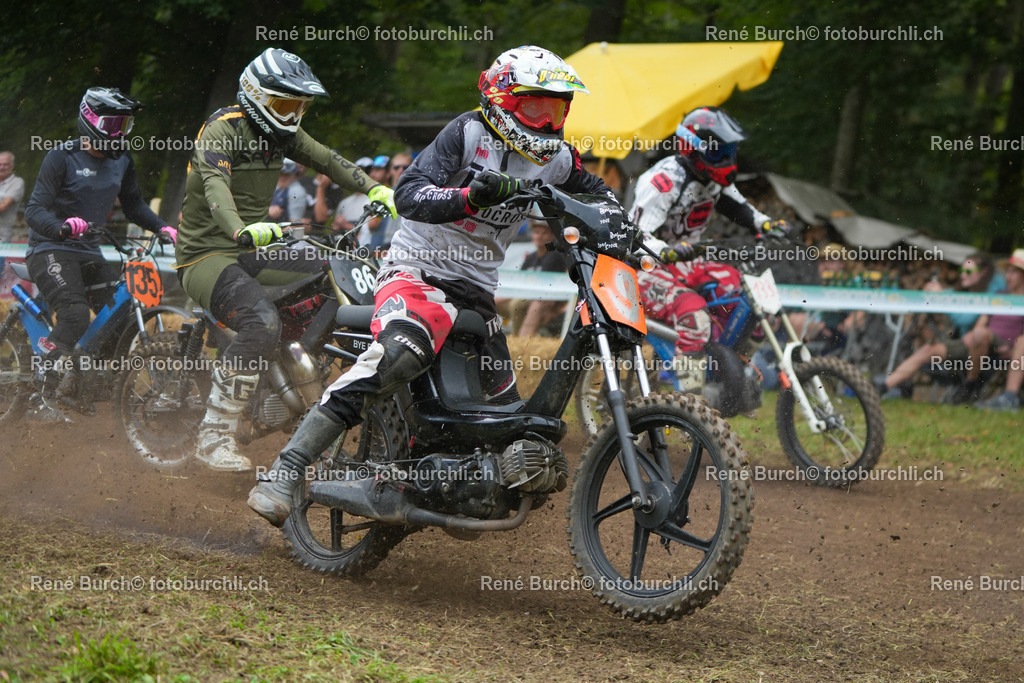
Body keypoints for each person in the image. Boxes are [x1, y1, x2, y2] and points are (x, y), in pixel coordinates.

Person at [249, 44, 624, 526]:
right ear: (502, 100)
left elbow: (597, 193)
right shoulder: (467, 133)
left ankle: (450, 484)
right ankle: (287, 468)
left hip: (476, 293)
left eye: (556, 109)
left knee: (504, 413)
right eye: (536, 107)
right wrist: (469, 195)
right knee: (401, 355)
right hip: (417, 273)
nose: (548, 121)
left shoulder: (555, 160)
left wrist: (623, 227)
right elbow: (408, 194)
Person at [176, 47, 396, 472]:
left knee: (329, 271)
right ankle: (212, 437)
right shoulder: (222, 131)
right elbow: (214, 187)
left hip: (251, 251)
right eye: (285, 104)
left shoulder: (283, 134)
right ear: (255, 96)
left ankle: (290, 377)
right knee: (262, 322)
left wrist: (375, 188)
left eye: (301, 106)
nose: (294, 114)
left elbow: (328, 159)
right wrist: (241, 228)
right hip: (206, 254)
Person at [24, 87, 177, 420]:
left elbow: (135, 205)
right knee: (76, 314)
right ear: (90, 120)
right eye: (113, 124)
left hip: (90, 252)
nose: (119, 132)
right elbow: (34, 209)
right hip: (50, 248)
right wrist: (62, 226)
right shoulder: (61, 156)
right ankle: (42, 393)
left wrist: (163, 228)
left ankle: (79, 383)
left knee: (120, 317)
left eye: (125, 124)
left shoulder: (122, 160)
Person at [631, 106, 789, 391]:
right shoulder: (664, 182)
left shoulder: (714, 181)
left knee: (754, 305)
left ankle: (733, 373)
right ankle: (692, 402)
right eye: (718, 153)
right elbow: (637, 235)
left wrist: (766, 225)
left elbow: (739, 206)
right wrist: (664, 250)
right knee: (695, 315)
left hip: (690, 261)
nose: (727, 161)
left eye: (730, 152)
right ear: (691, 150)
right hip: (645, 265)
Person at [876, 251, 1007, 402]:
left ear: (984, 272)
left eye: (969, 271)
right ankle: (884, 386)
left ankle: (968, 387)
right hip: (964, 344)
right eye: (962, 270)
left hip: (986, 347)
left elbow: (965, 319)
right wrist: (938, 293)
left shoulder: (996, 289)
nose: (963, 275)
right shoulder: (968, 289)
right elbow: (953, 295)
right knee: (926, 350)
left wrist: (943, 297)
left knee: (978, 335)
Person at [972, 249, 1024, 411]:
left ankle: (1009, 397)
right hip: (985, 344)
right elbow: (980, 325)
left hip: (1015, 348)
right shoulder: (998, 296)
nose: (1007, 276)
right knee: (980, 334)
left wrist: (1014, 350)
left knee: (1023, 341)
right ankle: (969, 387)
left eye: (1013, 272)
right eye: (1007, 272)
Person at [505, 219, 569, 336]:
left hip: (546, 301)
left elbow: (558, 287)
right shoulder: (531, 257)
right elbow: (519, 281)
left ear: (552, 237)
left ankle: (519, 341)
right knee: (496, 300)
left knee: (520, 304)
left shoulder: (556, 255)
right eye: (536, 232)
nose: (539, 236)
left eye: (544, 233)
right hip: (529, 297)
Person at [267, 158, 309, 224]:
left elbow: (295, 224)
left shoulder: (296, 191)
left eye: (287, 174)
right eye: (281, 174)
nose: (283, 177)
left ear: (293, 174)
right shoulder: (274, 187)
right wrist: (267, 211)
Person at [0, 152, 24, 244]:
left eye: (5, 164)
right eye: (0, 164)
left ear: (12, 166)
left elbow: (3, 206)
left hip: (2, 234)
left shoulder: (17, 182)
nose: (2, 167)